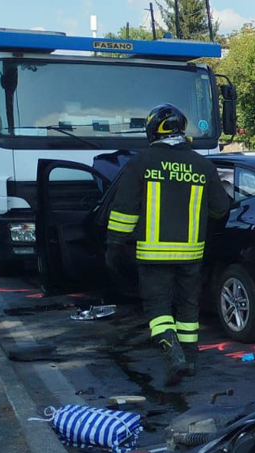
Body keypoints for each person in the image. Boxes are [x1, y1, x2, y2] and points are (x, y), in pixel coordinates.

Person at [104, 104, 230, 386]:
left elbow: (124, 210)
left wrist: (114, 245)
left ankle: (174, 357)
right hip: (191, 255)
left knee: (158, 308)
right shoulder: (203, 165)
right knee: (188, 308)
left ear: (152, 130)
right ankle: (190, 359)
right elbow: (221, 209)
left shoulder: (141, 162)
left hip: (153, 255)